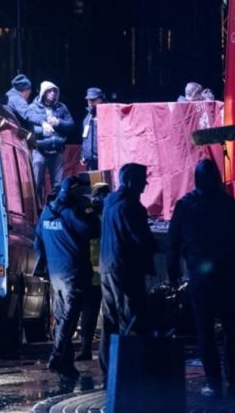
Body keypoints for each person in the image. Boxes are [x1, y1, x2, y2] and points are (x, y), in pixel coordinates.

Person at [168, 159, 235, 398]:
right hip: (227, 273)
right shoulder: (230, 204)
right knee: (232, 331)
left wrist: (173, 271)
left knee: (204, 330)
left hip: (200, 276)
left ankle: (213, 383)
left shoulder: (185, 205)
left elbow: (174, 241)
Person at [34, 176, 101, 378]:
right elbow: (93, 230)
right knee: (69, 317)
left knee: (62, 316)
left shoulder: (47, 213)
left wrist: (46, 264)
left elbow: (38, 242)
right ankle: (57, 356)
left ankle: (66, 364)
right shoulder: (73, 214)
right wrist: (89, 211)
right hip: (73, 273)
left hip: (55, 275)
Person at [98, 163, 158, 381]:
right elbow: (140, 238)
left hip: (107, 267)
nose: (145, 183)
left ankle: (108, 369)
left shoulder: (110, 203)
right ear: (132, 181)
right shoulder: (131, 206)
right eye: (143, 179)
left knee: (110, 320)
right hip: (125, 268)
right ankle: (128, 371)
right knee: (130, 318)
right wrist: (157, 247)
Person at [75, 182, 110, 361]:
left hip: (102, 271)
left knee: (95, 311)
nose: (101, 200)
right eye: (99, 196)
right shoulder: (92, 216)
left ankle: (94, 349)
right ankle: (86, 348)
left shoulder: (104, 214)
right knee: (90, 310)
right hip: (97, 271)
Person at [27, 81, 75, 204]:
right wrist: (42, 129)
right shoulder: (33, 107)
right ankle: (38, 209)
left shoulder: (61, 108)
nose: (53, 93)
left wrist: (59, 122)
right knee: (37, 183)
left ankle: (56, 210)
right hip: (40, 150)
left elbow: (71, 126)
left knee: (57, 185)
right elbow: (29, 125)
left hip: (57, 151)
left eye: (55, 91)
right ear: (43, 92)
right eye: (49, 91)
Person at [80, 87, 105, 171]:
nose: (90, 102)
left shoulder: (107, 115)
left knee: (105, 179)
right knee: (93, 179)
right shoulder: (88, 117)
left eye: (93, 100)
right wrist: (84, 155)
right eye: (88, 100)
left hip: (103, 158)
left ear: (100, 100)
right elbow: (85, 138)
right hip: (91, 159)